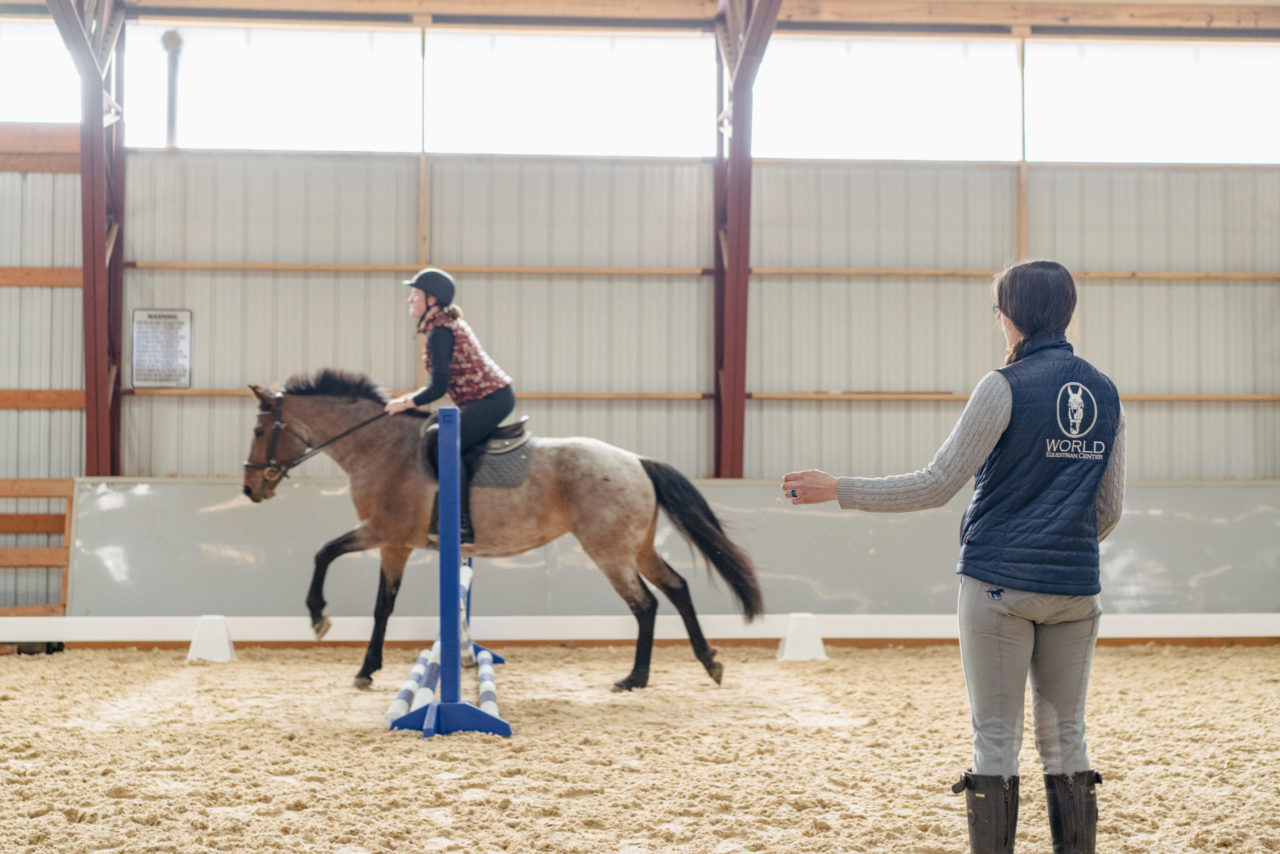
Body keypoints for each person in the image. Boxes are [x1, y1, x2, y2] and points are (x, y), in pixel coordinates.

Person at [781, 260, 1125, 854]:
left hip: (998, 587)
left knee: (995, 739)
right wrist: (1058, 547)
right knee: (1067, 738)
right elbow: (1109, 509)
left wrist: (839, 488)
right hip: (1076, 590)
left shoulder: (1003, 386)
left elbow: (937, 484)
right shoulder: (1105, 391)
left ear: (1010, 315)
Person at [385, 268, 515, 544]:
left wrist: (404, 403)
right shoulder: (439, 326)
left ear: (431, 300)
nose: (410, 299)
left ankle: (460, 524)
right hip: (485, 398)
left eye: (415, 294)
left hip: (492, 399)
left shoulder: (440, 332)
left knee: (445, 446)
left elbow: (438, 387)